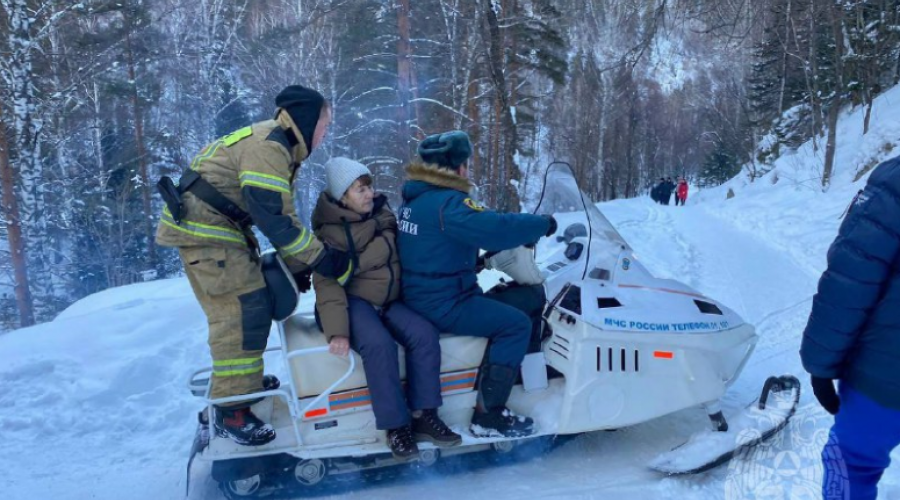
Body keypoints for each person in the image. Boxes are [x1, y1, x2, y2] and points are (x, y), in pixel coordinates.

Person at [155, 85, 353, 447]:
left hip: (219, 233)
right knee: (241, 314)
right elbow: (273, 218)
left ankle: (240, 386)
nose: (325, 134)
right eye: (325, 125)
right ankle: (232, 410)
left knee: (251, 306)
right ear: (307, 121)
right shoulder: (270, 148)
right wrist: (320, 259)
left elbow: (282, 214)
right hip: (208, 236)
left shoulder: (277, 144)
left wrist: (298, 265)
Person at [396, 131, 557, 438]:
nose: (468, 170)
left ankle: (516, 380)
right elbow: (495, 227)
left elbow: (432, 248)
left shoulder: (416, 199)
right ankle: (489, 415)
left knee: (525, 297)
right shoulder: (449, 203)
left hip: (425, 293)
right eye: (465, 164)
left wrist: (475, 262)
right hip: (444, 302)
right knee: (516, 324)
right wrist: (542, 224)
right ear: (456, 167)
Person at [312, 157, 461, 461]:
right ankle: (396, 427)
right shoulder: (330, 233)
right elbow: (327, 284)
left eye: (369, 187)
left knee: (424, 334)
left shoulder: (384, 214)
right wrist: (337, 332)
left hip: (391, 299)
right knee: (379, 345)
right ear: (343, 196)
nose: (369, 194)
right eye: (359, 190)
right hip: (353, 301)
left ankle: (423, 415)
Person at [800, 155, 900, 500]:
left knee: (851, 464)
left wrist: (820, 363)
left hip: (887, 376)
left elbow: (851, 278)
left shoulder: (894, 182)